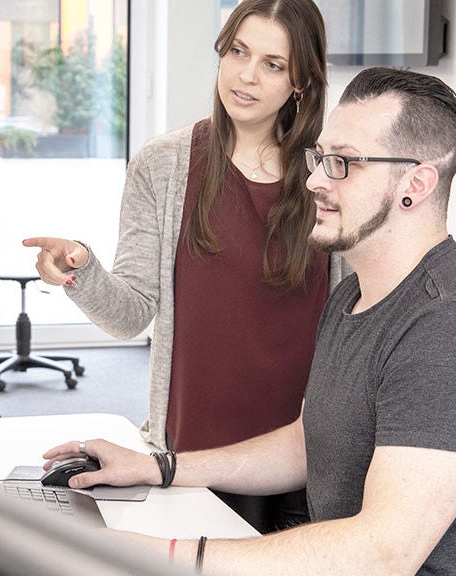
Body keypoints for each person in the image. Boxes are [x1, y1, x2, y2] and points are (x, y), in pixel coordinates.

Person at [42, 67, 456, 575]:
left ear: (417, 182)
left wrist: (167, 556)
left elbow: (386, 552)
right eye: (321, 158)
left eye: (343, 164)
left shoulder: (441, 325)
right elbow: (309, 444)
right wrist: (158, 467)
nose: (314, 180)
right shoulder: (352, 295)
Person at [24, 0, 350, 534]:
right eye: (238, 52)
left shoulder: (332, 173)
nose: (246, 76)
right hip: (191, 457)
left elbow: (359, 316)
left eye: (272, 64)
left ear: (301, 82)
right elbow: (131, 313)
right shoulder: (164, 165)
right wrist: (82, 269)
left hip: (304, 460)